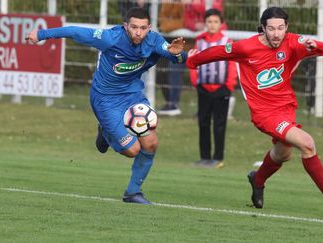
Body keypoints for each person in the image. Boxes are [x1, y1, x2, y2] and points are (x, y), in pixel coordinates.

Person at [186, 7, 323, 210]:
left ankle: (257, 180)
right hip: (264, 113)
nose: (276, 33)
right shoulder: (247, 47)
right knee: (307, 144)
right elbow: (220, 52)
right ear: (263, 28)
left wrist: (314, 44)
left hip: (286, 108)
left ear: (287, 27)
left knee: (283, 154)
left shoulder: (292, 41)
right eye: (271, 28)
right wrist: (192, 60)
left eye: (281, 28)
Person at [26, 7, 186, 204]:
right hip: (105, 99)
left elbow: (177, 57)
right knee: (132, 150)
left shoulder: (154, 40)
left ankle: (133, 193)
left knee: (151, 142)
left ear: (149, 28)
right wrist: (41, 34)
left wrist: (178, 54)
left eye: (143, 28)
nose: (138, 32)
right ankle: (105, 132)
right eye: (134, 27)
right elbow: (75, 31)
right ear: (125, 26)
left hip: (133, 95)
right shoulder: (110, 38)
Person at [190, 9, 237, 168]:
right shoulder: (200, 41)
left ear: (221, 24)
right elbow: (193, 61)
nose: (212, 25)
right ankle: (204, 157)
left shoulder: (227, 41)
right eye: (209, 21)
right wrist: (196, 82)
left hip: (221, 89)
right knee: (203, 123)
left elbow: (232, 64)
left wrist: (229, 85)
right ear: (205, 23)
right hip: (203, 88)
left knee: (219, 124)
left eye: (215, 22)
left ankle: (217, 157)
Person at [157, 0, 186, 116]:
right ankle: (169, 103)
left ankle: (174, 103)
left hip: (184, 43)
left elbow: (183, 23)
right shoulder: (165, 3)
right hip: (166, 42)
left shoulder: (184, 4)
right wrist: (166, 26)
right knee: (160, 74)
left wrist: (166, 26)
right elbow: (161, 21)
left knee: (174, 71)